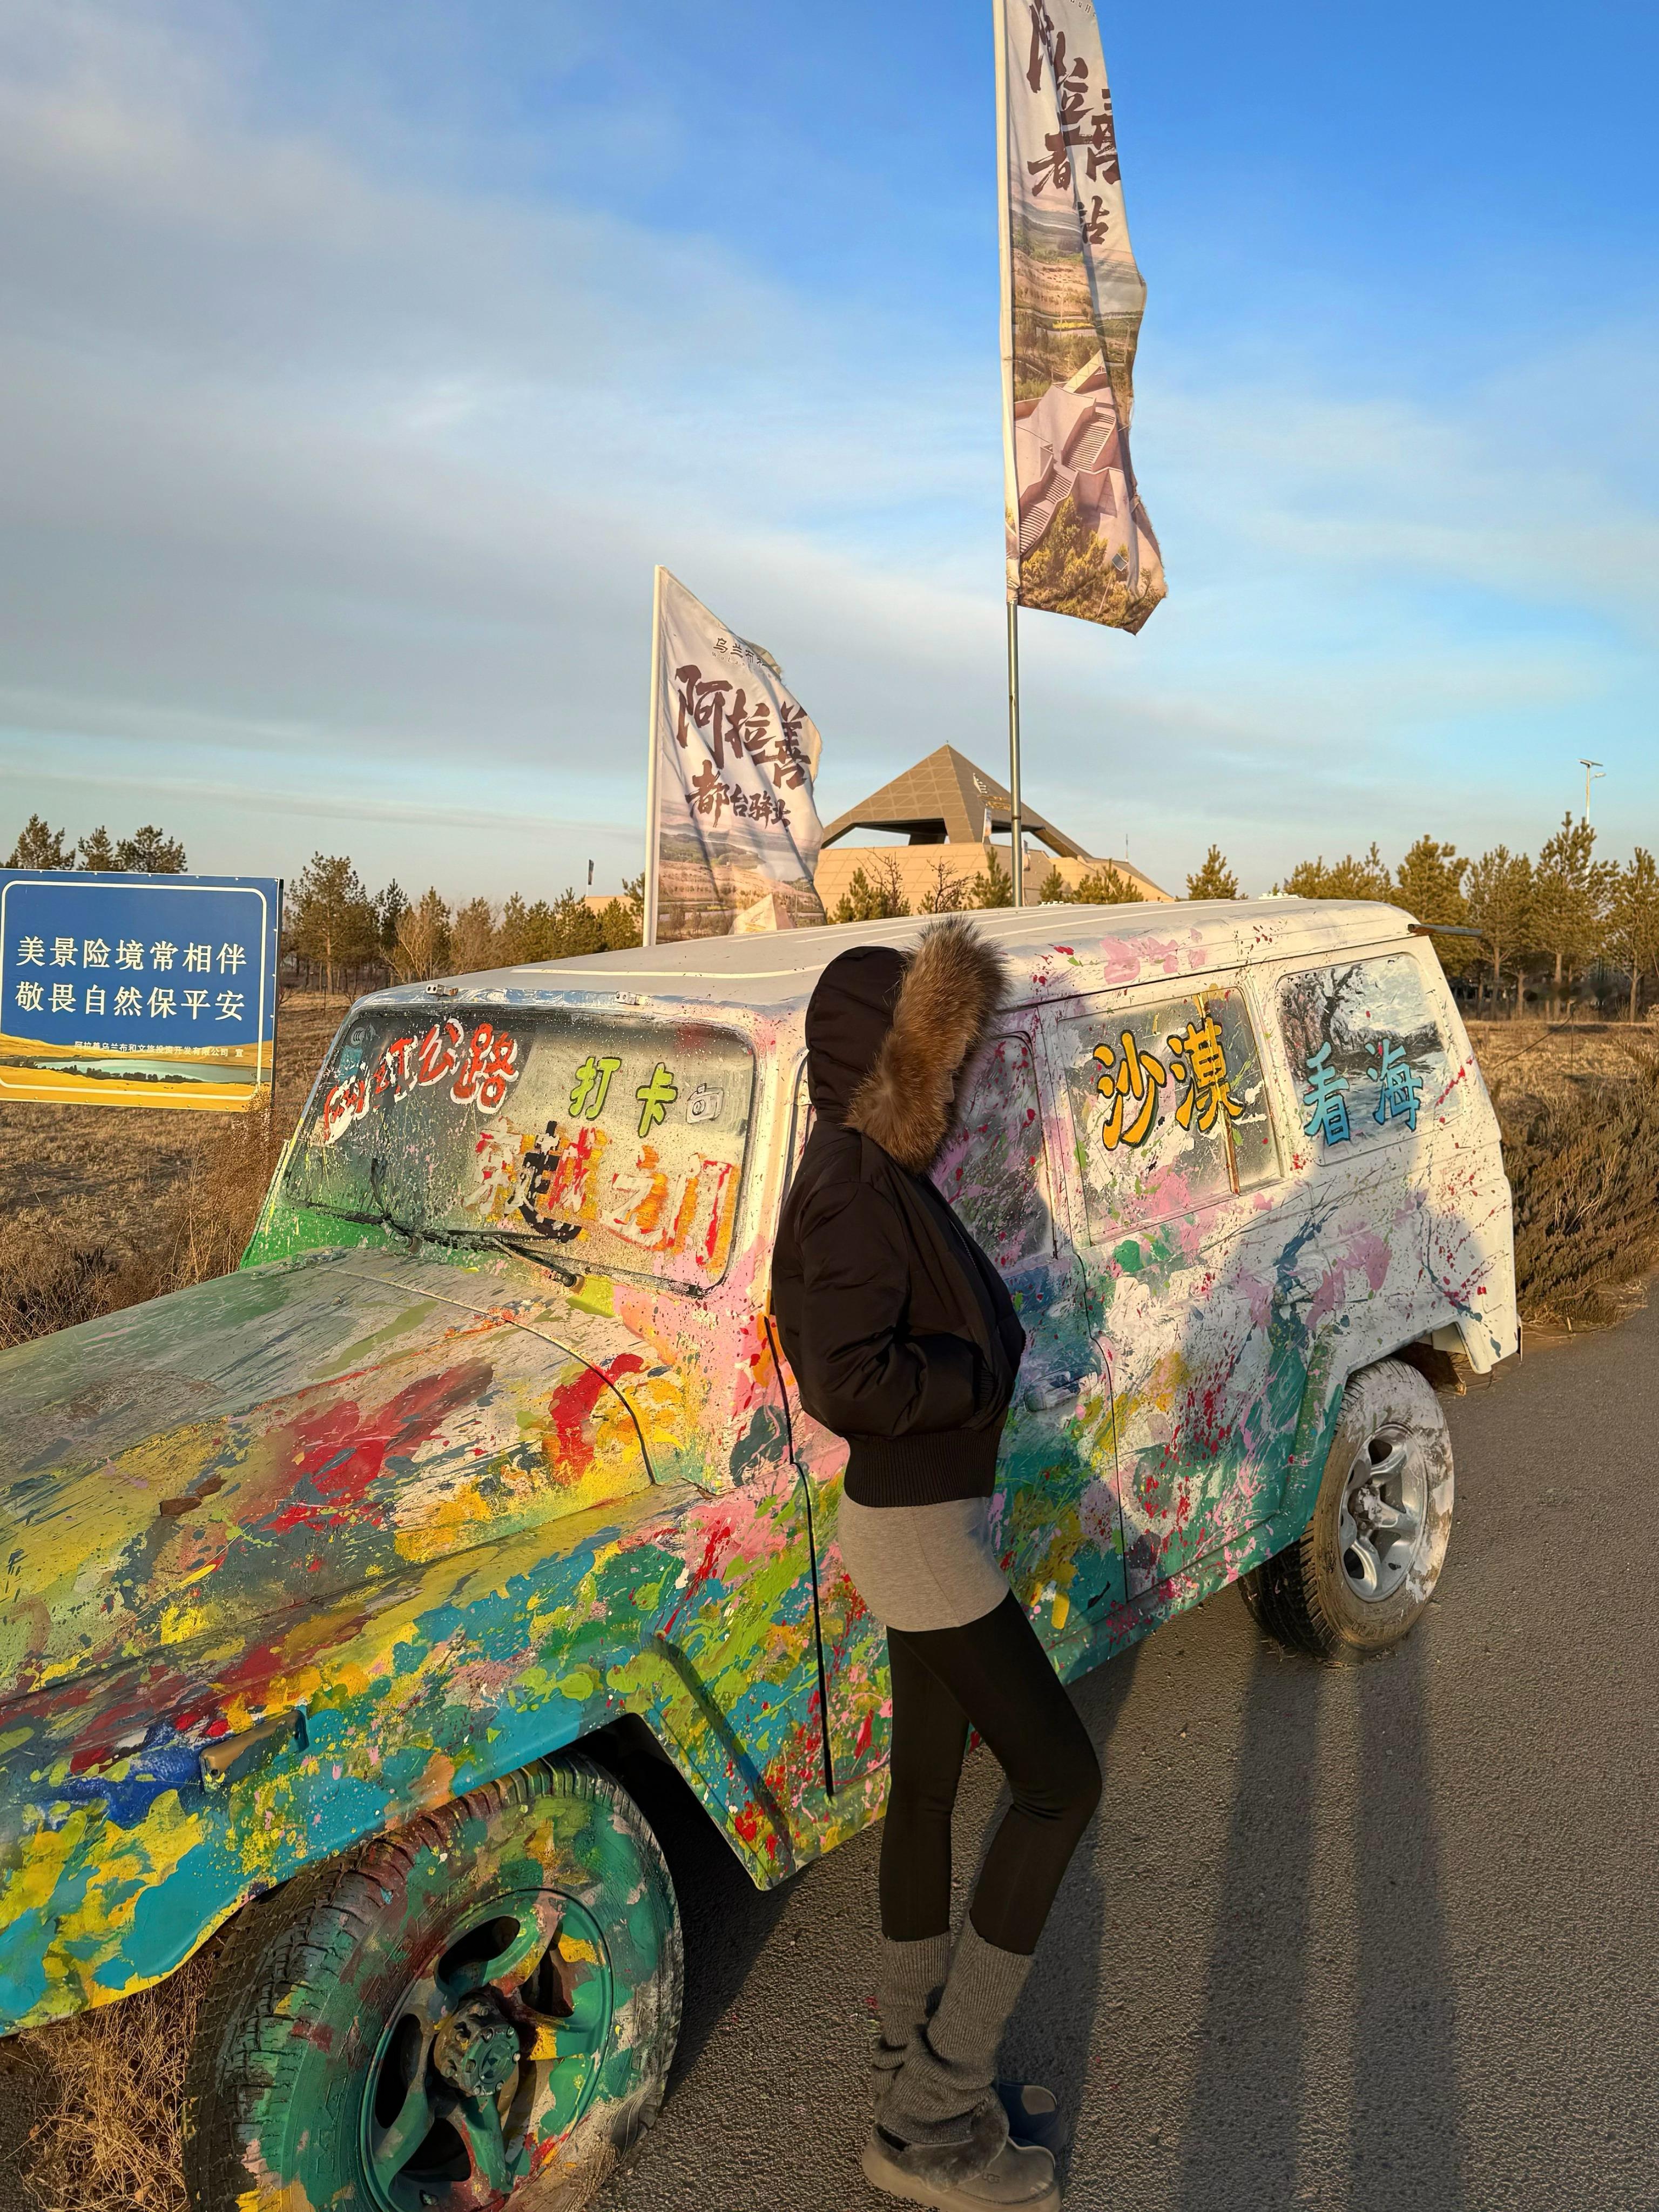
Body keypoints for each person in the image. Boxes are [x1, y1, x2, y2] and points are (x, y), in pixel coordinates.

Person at [772, 918, 1102, 2212]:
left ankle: (908, 2066)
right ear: (885, 1063)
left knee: (923, 1789)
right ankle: (932, 2116)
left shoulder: (857, 1166)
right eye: (936, 1061)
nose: (956, 1089)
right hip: (919, 1525)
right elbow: (846, 1377)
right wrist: (973, 1378)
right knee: (1060, 1783)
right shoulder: (855, 1184)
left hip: (920, 1516)